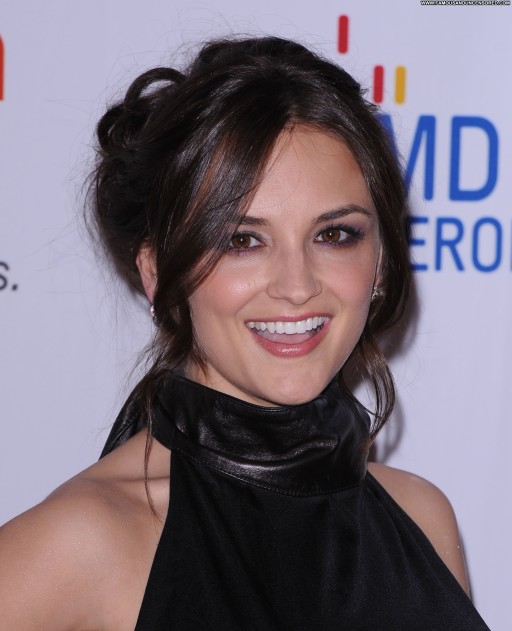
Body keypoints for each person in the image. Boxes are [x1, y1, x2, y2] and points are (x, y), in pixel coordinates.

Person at [0, 37, 489, 630]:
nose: (296, 286)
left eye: (334, 235)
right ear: (158, 272)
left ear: (381, 259)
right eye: (242, 240)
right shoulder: (82, 545)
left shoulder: (423, 519)